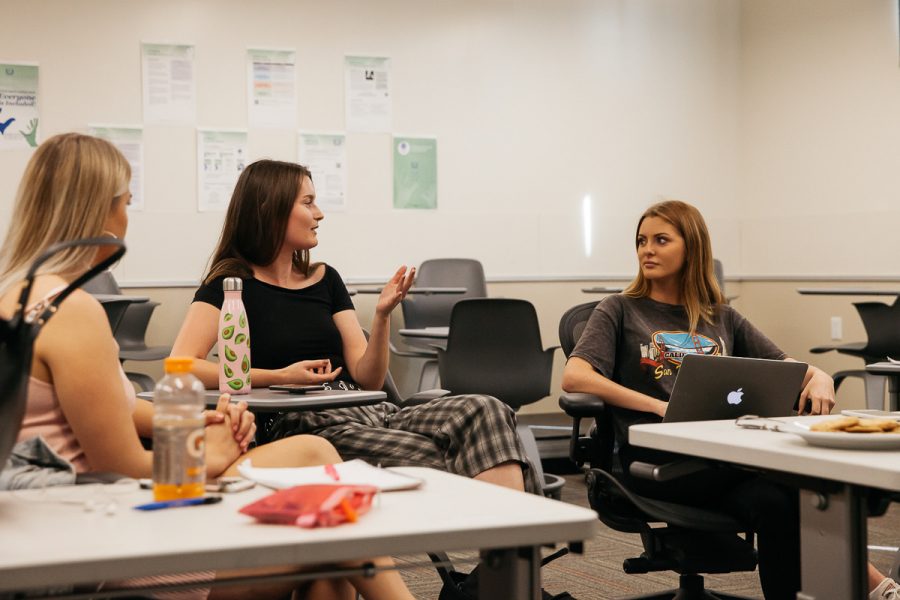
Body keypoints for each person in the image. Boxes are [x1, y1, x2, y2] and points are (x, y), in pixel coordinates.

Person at [0, 133, 414, 600]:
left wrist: (205, 420)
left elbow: (113, 409)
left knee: (319, 502)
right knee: (324, 505)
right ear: (99, 212)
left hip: (61, 520)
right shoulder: (73, 312)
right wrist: (212, 456)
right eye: (126, 203)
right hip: (101, 541)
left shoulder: (19, 300)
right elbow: (125, 464)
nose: (126, 219)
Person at [171, 159, 542, 495]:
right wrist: (279, 376)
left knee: (488, 409)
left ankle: (500, 565)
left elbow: (368, 379)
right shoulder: (230, 284)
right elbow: (182, 365)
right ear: (270, 209)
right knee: (441, 454)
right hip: (306, 425)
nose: (319, 213)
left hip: (369, 410)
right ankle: (501, 557)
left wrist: (381, 317)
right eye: (308, 202)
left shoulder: (325, 278)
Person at [561, 200, 836, 600]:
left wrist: (820, 376)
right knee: (797, 481)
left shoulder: (721, 316)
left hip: (720, 462)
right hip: (654, 465)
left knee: (778, 503)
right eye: (641, 241)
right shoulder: (619, 309)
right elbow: (575, 376)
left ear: (692, 248)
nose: (646, 250)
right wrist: (655, 406)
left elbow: (788, 367)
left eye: (660, 240)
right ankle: (876, 585)